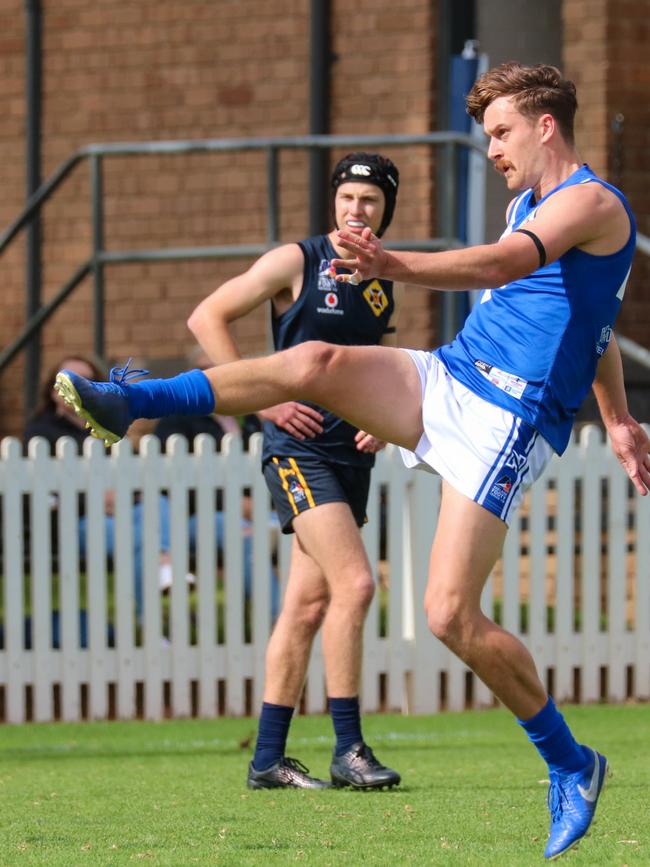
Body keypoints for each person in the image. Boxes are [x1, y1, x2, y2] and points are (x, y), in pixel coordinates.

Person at [54, 63, 650, 858]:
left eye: (502, 132)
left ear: (546, 125)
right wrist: (618, 416)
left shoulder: (592, 201)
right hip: (453, 373)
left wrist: (396, 265)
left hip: (508, 417)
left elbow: (511, 269)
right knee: (317, 363)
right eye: (486, 137)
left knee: (449, 615)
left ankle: (570, 763)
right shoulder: (527, 202)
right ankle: (132, 403)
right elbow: (597, 318)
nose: (494, 150)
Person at [185, 152, 403, 791]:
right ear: (333, 201)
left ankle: (266, 761)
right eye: (347, 198)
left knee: (307, 605)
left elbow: (371, 364)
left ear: (386, 209)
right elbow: (206, 317)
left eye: (369, 201)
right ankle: (349, 750)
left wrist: (382, 419)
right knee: (356, 584)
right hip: (298, 449)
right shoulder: (296, 261)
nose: (356, 210)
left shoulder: (380, 275)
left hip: (350, 453)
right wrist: (263, 398)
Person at [25, 355, 180, 624]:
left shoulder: (110, 427)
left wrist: (126, 497)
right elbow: (43, 494)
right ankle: (153, 608)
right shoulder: (40, 434)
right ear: (52, 390)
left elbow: (131, 474)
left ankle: (161, 567)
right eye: (67, 380)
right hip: (77, 522)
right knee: (135, 538)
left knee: (157, 504)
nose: (76, 386)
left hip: (123, 511)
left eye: (86, 380)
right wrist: (97, 502)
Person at [153, 351, 281, 621]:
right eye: (202, 371)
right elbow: (172, 485)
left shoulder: (250, 419)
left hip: (257, 511)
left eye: (218, 369)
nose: (212, 377)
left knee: (300, 530)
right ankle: (276, 619)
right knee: (245, 536)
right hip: (194, 518)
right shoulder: (176, 420)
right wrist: (234, 504)